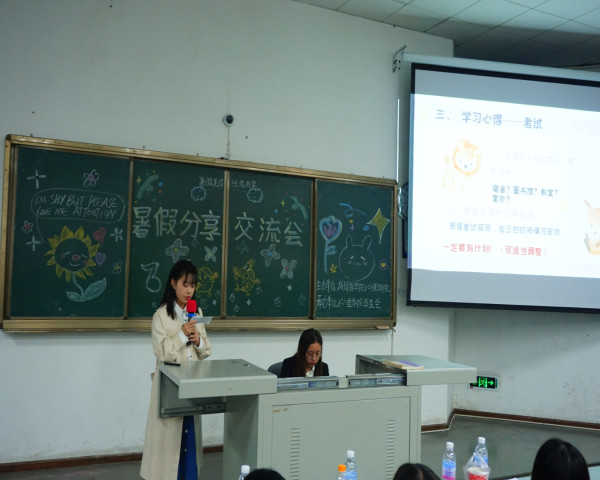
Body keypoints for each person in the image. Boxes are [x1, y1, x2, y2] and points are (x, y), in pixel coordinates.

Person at [140, 260, 212, 480]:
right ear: (173, 283)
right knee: (169, 443)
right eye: (185, 284)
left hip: (191, 385)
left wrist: (198, 340)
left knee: (189, 437)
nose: (189, 290)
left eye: (193, 285)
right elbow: (162, 352)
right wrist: (181, 334)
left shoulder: (197, 312)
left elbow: (206, 350)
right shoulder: (161, 315)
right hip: (170, 387)